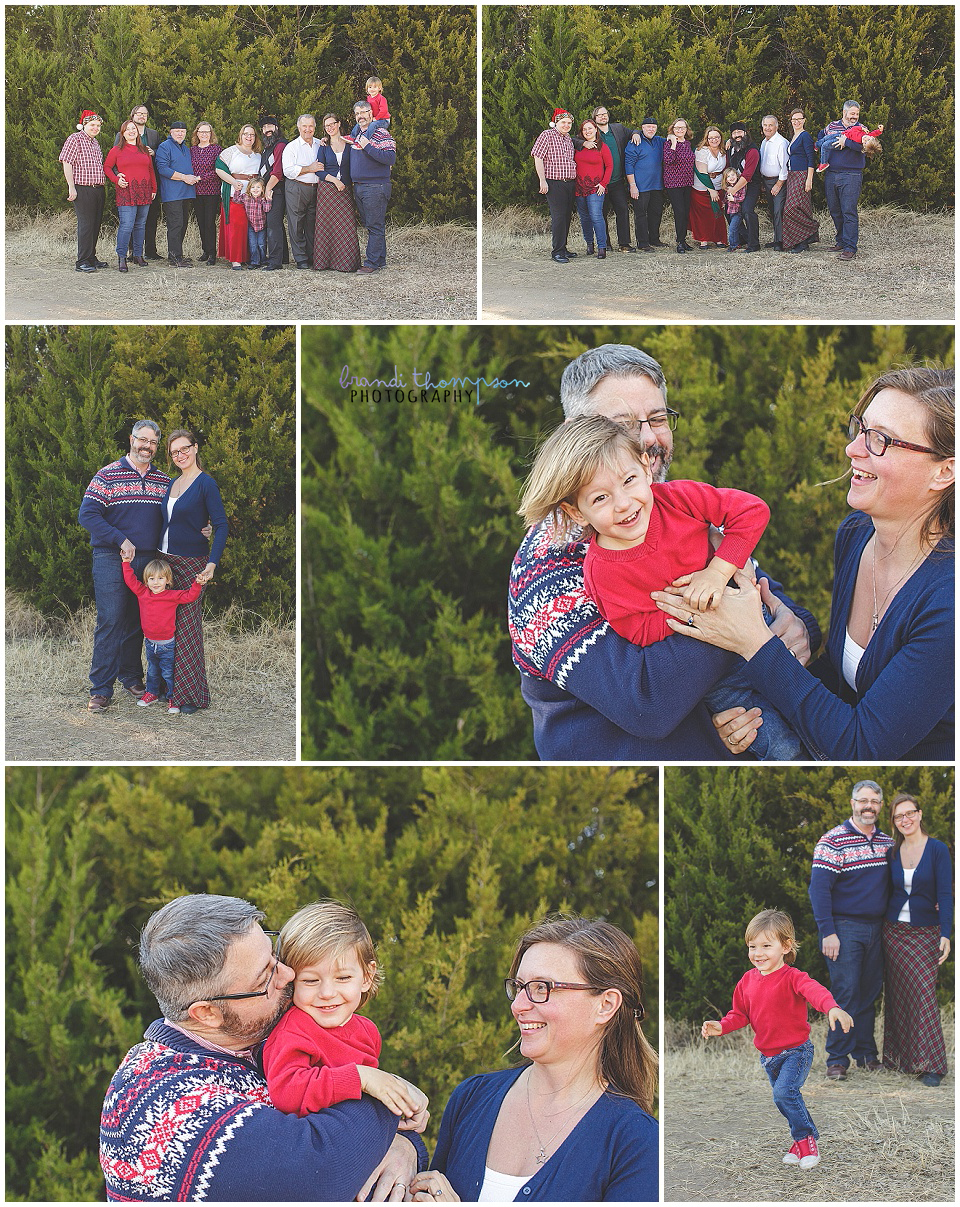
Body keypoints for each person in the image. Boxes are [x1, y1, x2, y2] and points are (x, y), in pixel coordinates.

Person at [507, 343, 819, 760]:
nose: (648, 438)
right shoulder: (546, 571)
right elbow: (649, 704)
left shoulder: (664, 508)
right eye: (622, 423)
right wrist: (743, 627)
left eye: (657, 418)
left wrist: (793, 631)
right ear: (576, 432)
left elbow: (775, 601)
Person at [654, 366, 955, 760]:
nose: (853, 449)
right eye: (861, 428)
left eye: (881, 440)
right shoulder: (857, 534)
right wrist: (758, 714)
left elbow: (860, 748)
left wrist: (755, 643)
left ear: (945, 471)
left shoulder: (949, 605)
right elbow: (844, 682)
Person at [100, 894, 426, 1201]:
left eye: (273, 956)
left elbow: (348, 1133)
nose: (287, 974)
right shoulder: (163, 1104)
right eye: (263, 978)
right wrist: (383, 1099)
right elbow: (320, 1172)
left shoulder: (255, 1040)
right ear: (207, 1013)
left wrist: (404, 1146)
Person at [408, 915, 658, 1202]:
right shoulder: (471, 1098)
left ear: (605, 1005)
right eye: (519, 987)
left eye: (542, 988)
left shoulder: (636, 1142)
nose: (518, 1005)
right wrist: (403, 1147)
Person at [702, 909, 854, 1171]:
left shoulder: (793, 977)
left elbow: (814, 991)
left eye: (766, 946)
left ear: (785, 946)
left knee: (784, 1094)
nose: (757, 953)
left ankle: (805, 1142)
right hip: (769, 1057)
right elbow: (739, 1014)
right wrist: (721, 1026)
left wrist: (831, 1007)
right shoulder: (747, 981)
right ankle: (802, 1140)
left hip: (796, 1051)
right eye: (752, 946)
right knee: (788, 1099)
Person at [261, 901, 429, 1125]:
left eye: (343, 978)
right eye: (310, 980)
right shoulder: (293, 1031)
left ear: (367, 977)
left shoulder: (367, 1031)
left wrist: (400, 1108)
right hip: (316, 1147)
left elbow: (364, 1095)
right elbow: (288, 1093)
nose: (327, 993)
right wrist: (360, 1077)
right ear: (292, 981)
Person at [78, 420, 169, 711]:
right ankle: (101, 689)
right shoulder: (107, 475)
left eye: (153, 442)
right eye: (143, 440)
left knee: (137, 622)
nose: (147, 447)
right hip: (111, 557)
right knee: (111, 619)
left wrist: (201, 529)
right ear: (131, 440)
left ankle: (130, 676)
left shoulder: (164, 481)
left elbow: (175, 517)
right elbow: (88, 515)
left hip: (149, 560)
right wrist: (120, 540)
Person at [806, 781, 892, 1079]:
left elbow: (898, 885)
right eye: (863, 800)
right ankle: (837, 1059)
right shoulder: (833, 841)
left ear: (881, 806)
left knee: (869, 994)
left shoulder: (887, 843)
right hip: (842, 929)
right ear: (853, 803)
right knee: (845, 993)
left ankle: (867, 1055)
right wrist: (827, 931)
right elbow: (819, 890)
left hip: (878, 928)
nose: (869, 806)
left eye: (874, 801)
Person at [882, 792, 952, 1087]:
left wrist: (947, 933)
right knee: (898, 997)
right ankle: (900, 1060)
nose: (905, 820)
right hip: (894, 933)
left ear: (920, 814)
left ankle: (932, 1065)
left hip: (926, 932)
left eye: (910, 813)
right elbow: (886, 890)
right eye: (899, 816)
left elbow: (946, 893)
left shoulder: (937, 849)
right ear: (894, 822)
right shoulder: (892, 853)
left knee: (924, 994)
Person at [157, 429, 228, 714]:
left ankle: (190, 696)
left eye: (184, 449)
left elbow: (220, 525)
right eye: (174, 452)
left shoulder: (205, 484)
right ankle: (166, 688)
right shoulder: (173, 483)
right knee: (166, 628)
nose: (180, 455)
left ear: (195, 448)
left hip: (192, 565)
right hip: (164, 562)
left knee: (187, 629)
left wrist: (211, 563)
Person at [120, 554, 203, 711]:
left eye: (160, 578)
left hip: (167, 645)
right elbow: (130, 580)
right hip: (150, 643)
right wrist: (125, 563)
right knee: (152, 672)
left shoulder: (172, 596)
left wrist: (197, 584)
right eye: (151, 579)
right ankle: (152, 693)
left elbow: (190, 596)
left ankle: (173, 698)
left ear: (168, 580)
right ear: (146, 581)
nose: (156, 582)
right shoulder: (143, 593)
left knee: (168, 674)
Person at [816, 100, 869, 261]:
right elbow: (820, 138)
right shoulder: (832, 126)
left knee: (848, 211)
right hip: (832, 173)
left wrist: (847, 142)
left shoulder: (861, 129)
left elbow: (864, 147)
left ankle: (850, 247)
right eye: (852, 113)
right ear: (844, 112)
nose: (854, 117)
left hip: (851, 175)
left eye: (857, 114)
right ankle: (840, 240)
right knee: (835, 210)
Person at [350, 101, 397, 275]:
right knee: (372, 225)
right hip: (360, 186)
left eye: (364, 112)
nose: (360, 116)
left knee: (375, 226)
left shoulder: (380, 133)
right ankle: (380, 260)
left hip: (376, 186)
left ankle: (371, 263)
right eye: (357, 113)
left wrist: (367, 146)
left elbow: (390, 158)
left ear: (371, 113)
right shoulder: (356, 134)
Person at [103, 119, 157, 271]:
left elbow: (151, 169)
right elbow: (107, 167)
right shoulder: (117, 150)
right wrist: (116, 179)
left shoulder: (144, 150)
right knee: (127, 225)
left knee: (140, 225)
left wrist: (154, 189)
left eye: (133, 128)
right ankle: (122, 257)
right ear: (123, 133)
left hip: (145, 191)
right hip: (126, 190)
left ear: (137, 131)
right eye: (128, 129)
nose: (131, 131)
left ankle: (138, 255)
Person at [58, 108, 107, 273]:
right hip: (83, 188)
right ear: (84, 125)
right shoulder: (75, 139)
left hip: (98, 189)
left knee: (95, 224)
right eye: (92, 124)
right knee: (86, 225)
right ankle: (82, 261)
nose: (95, 128)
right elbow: (67, 162)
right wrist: (71, 186)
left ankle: (91, 257)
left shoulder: (95, 143)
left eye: (98, 125)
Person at [313, 113, 361, 273]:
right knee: (327, 227)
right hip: (327, 190)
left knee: (347, 227)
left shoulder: (350, 142)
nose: (330, 128)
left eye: (332, 124)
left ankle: (346, 264)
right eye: (326, 126)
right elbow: (319, 171)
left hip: (345, 190)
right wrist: (335, 181)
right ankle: (324, 263)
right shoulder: (323, 146)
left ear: (339, 124)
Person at [588, 105, 639, 253]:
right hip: (600, 183)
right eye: (599, 115)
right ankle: (606, 244)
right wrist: (584, 142)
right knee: (601, 213)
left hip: (616, 181)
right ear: (594, 118)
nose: (603, 117)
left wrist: (635, 133)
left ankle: (624, 244)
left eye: (605, 114)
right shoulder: (592, 132)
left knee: (622, 210)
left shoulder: (618, 129)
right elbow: (576, 140)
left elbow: (634, 131)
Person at [114, 103, 162, 259]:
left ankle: (150, 251)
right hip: (129, 184)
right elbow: (114, 160)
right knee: (130, 221)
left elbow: (160, 157)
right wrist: (118, 176)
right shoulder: (122, 134)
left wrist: (153, 152)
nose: (142, 116)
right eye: (139, 114)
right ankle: (130, 253)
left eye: (145, 114)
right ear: (132, 116)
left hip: (149, 182)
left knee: (149, 218)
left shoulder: (153, 134)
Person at [530, 108, 578, 264]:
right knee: (558, 217)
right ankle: (557, 251)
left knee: (566, 217)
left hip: (569, 183)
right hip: (554, 183)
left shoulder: (568, 138)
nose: (566, 125)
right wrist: (542, 180)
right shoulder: (547, 135)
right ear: (556, 122)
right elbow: (538, 157)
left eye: (569, 123)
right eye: (563, 122)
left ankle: (563, 248)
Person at [218, 123, 263, 269]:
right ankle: (236, 259)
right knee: (237, 226)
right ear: (241, 135)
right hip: (234, 195)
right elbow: (218, 168)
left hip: (253, 197)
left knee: (251, 228)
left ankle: (249, 257)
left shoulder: (258, 155)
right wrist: (233, 181)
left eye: (252, 135)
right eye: (246, 134)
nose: (249, 137)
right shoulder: (231, 151)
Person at [155, 120, 199, 267]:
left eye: (183, 131)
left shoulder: (186, 148)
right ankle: (174, 258)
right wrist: (184, 177)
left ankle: (177, 254)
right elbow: (163, 169)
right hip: (172, 194)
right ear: (171, 132)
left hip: (187, 193)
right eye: (177, 131)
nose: (180, 133)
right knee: (175, 225)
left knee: (184, 224)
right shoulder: (164, 147)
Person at [282, 114, 323, 269]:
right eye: (304, 126)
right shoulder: (291, 147)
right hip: (297, 188)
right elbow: (288, 171)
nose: (308, 129)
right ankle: (301, 259)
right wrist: (309, 169)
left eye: (311, 126)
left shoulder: (320, 144)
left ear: (315, 127)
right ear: (299, 127)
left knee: (313, 224)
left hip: (316, 189)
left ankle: (313, 256)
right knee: (296, 223)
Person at [573, 118, 612, 257]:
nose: (587, 131)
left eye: (590, 128)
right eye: (584, 129)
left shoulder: (602, 147)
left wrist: (603, 183)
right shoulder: (578, 146)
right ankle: (589, 244)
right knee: (584, 218)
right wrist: (583, 143)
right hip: (579, 187)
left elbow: (609, 166)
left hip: (596, 187)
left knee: (596, 216)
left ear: (596, 129)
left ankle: (602, 247)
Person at [782, 109, 820, 254]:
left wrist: (809, 179)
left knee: (791, 209)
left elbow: (811, 158)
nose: (796, 122)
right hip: (792, 175)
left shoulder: (805, 136)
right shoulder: (793, 136)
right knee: (800, 208)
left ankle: (811, 229)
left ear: (804, 120)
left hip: (802, 175)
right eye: (793, 119)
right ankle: (802, 242)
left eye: (799, 119)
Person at [624, 118, 665, 251]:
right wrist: (632, 185)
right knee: (641, 214)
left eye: (653, 127)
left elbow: (674, 139)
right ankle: (643, 242)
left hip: (657, 185)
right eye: (648, 127)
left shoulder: (659, 141)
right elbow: (628, 165)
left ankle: (654, 239)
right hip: (640, 186)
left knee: (656, 212)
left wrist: (671, 136)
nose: (651, 129)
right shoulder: (635, 142)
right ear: (642, 127)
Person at [190, 120, 223, 266]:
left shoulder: (217, 150)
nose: (204, 134)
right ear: (197, 133)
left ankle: (212, 253)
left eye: (207, 132)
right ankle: (205, 250)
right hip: (196, 191)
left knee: (209, 222)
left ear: (211, 134)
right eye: (201, 132)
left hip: (211, 191)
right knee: (201, 222)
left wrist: (201, 177)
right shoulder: (192, 150)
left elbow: (218, 171)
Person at [725, 122, 762, 253]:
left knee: (747, 210)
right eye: (734, 133)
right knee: (729, 210)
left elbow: (747, 175)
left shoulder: (752, 151)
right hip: (735, 184)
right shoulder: (731, 148)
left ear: (745, 133)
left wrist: (732, 191)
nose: (737, 135)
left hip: (751, 184)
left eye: (739, 132)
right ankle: (743, 238)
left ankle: (754, 244)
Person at [259, 115, 290, 270]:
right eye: (264, 128)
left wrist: (267, 189)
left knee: (273, 225)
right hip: (270, 189)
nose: (267, 130)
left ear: (277, 128)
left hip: (276, 189)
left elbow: (278, 172)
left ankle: (275, 261)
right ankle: (283, 257)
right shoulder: (267, 147)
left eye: (270, 126)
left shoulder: (281, 145)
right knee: (276, 224)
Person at [690, 125, 727, 248]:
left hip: (718, 185)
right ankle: (703, 239)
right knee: (703, 215)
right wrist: (711, 190)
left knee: (717, 213)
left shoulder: (723, 151)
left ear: (721, 138)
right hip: (702, 187)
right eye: (711, 138)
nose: (714, 140)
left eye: (717, 137)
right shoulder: (702, 151)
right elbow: (702, 173)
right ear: (707, 138)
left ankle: (718, 238)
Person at [662, 118, 695, 253]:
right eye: (677, 128)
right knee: (679, 211)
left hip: (687, 182)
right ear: (673, 129)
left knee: (685, 212)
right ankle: (679, 242)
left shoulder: (687, 143)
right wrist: (674, 143)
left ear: (686, 130)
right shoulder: (668, 143)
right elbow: (668, 160)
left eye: (682, 128)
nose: (680, 130)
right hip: (673, 183)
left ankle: (684, 240)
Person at [758, 115, 789, 250]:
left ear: (776, 126)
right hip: (767, 181)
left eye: (770, 125)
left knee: (778, 211)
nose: (767, 128)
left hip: (778, 182)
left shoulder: (781, 143)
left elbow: (784, 166)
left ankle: (781, 242)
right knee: (772, 210)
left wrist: (779, 184)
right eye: (765, 125)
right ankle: (777, 238)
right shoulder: (764, 142)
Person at [235, 176, 271, 269]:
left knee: (261, 244)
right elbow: (236, 200)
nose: (255, 189)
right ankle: (255, 262)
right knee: (253, 244)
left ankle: (263, 260)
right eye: (253, 187)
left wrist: (269, 200)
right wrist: (237, 190)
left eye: (258, 187)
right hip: (251, 225)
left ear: (262, 189)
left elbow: (267, 209)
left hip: (262, 226)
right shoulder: (245, 197)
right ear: (249, 189)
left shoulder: (263, 198)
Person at [722, 166, 747, 251]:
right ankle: (748, 240)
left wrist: (734, 199)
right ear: (726, 180)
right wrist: (723, 203)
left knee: (732, 228)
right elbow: (726, 198)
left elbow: (742, 198)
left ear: (737, 175)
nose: (731, 177)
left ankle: (734, 245)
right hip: (730, 211)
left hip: (737, 212)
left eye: (733, 175)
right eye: (728, 176)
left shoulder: (740, 186)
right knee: (739, 228)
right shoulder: (727, 188)